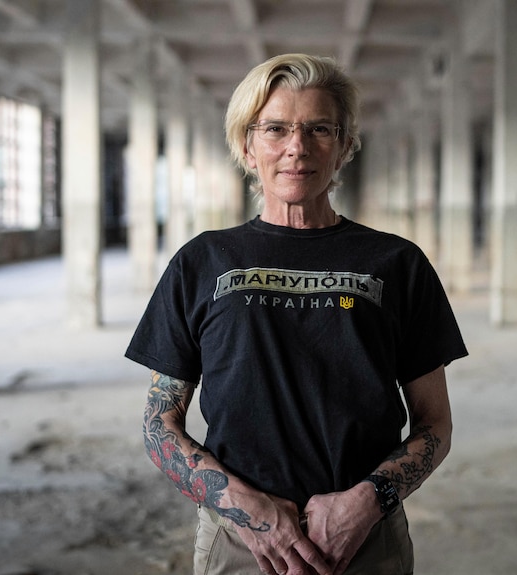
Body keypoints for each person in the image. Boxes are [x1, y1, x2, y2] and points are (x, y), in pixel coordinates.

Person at [126, 53, 468, 575]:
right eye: (275, 128)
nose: (296, 147)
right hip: (239, 542)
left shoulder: (397, 263)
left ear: (346, 146)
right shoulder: (201, 261)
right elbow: (158, 423)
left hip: (365, 539)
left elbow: (435, 424)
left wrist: (364, 503)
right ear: (247, 145)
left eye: (319, 129)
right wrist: (246, 509)